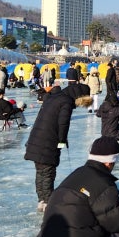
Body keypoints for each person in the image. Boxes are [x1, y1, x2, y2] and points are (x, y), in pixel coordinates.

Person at [24, 82, 93, 211]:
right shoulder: (66, 102)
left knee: (41, 173)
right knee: (48, 173)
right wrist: (61, 141)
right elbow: (63, 124)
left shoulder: (53, 97)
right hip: (48, 142)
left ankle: (42, 201)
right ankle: (48, 202)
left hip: (36, 140)